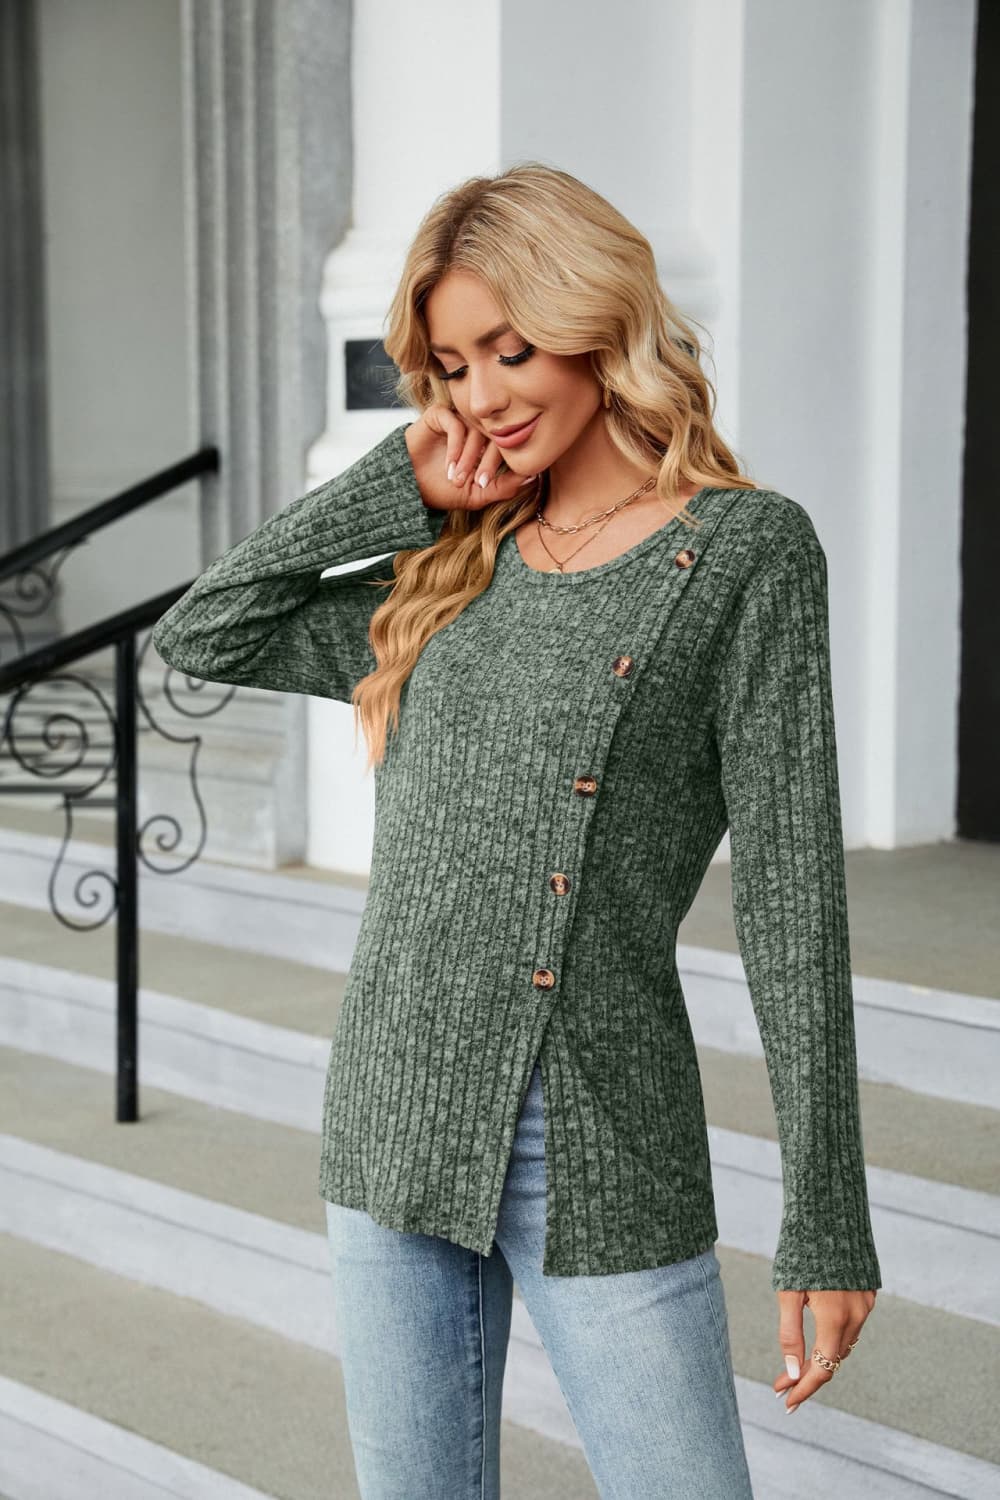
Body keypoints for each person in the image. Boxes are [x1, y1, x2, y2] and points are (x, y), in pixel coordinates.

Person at [152, 161, 881, 1499]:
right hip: (392, 1110)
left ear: (598, 323)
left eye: (511, 348)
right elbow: (206, 628)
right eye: (450, 367)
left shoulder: (743, 555)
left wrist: (827, 1216)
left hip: (598, 1135)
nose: (483, 395)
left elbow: (792, 899)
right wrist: (399, 481)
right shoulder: (452, 567)